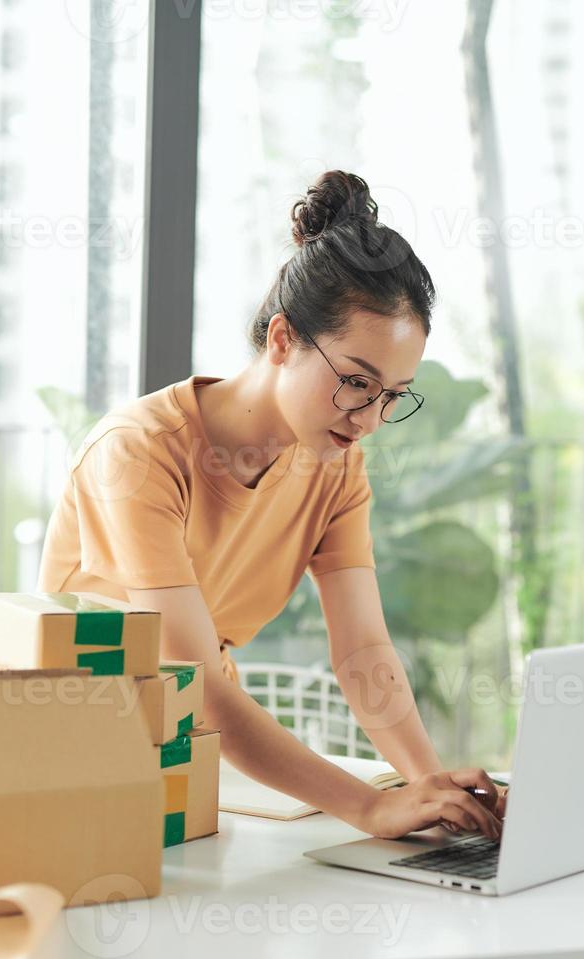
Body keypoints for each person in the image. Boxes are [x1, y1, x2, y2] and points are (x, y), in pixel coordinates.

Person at [37, 170, 505, 841]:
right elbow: (192, 680)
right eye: (354, 382)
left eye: (393, 396)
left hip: (182, 749)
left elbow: (364, 651)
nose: (369, 418)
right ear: (283, 341)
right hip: (65, 751)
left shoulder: (337, 466)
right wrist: (371, 807)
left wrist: (427, 789)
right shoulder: (141, 452)